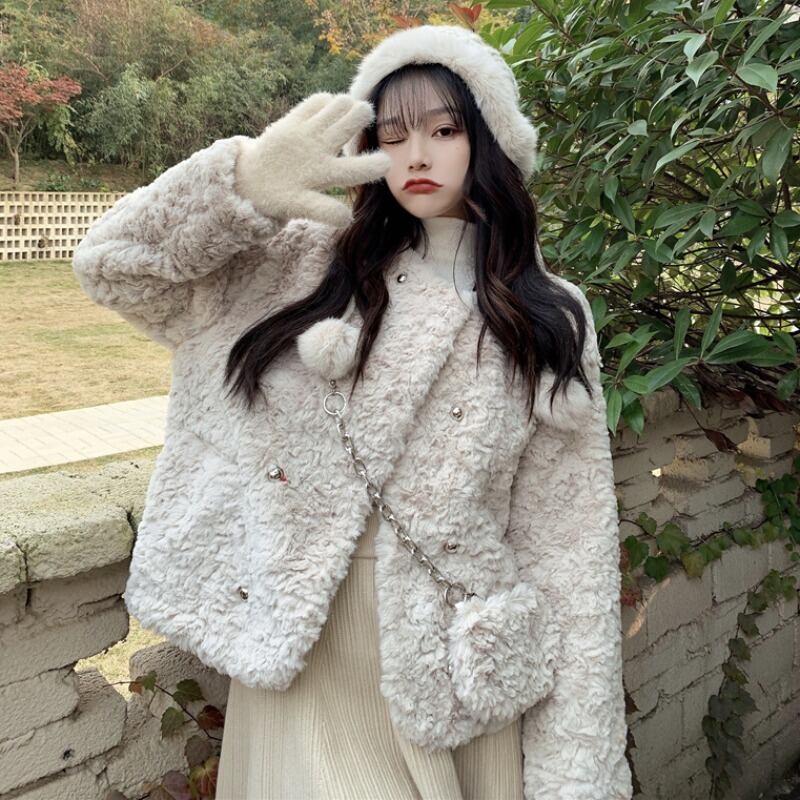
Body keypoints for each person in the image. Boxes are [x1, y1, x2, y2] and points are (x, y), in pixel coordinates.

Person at [72, 23, 633, 800]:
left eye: (445, 130)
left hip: (459, 672)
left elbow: (568, 539)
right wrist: (241, 184)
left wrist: (577, 769)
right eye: (392, 135)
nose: (417, 155)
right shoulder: (298, 263)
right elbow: (114, 266)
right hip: (307, 655)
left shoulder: (546, 314)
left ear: (492, 142)